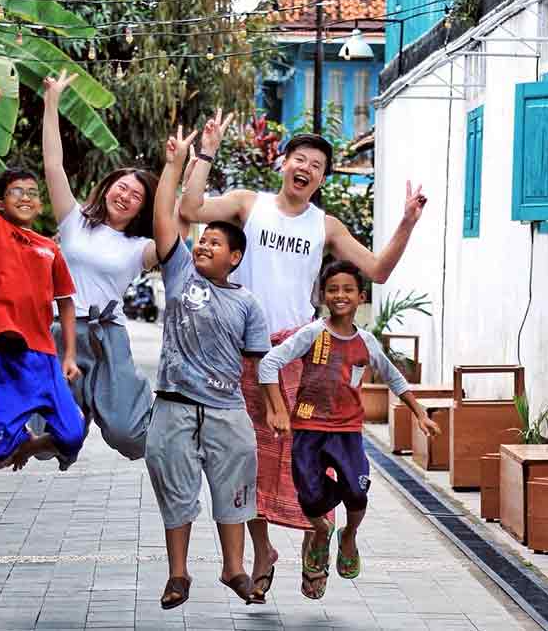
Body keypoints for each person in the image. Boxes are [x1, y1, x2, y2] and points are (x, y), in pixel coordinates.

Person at [179, 132, 427, 597]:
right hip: (241, 354)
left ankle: (319, 535)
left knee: (308, 458)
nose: (306, 168)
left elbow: (376, 270)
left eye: (316, 165)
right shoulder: (247, 205)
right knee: (245, 461)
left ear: (321, 179)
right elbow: (189, 211)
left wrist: (407, 222)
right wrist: (205, 154)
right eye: (299, 159)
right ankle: (263, 551)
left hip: (299, 356)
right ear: (283, 163)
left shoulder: (325, 226)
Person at [39, 71, 220, 459]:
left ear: (142, 207)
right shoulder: (72, 221)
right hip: (60, 331)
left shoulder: (139, 246)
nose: (126, 195)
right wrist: (52, 101)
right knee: (52, 437)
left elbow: (180, 225)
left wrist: (191, 162)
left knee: (129, 433)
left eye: (137, 195)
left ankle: (183, 426)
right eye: (121, 186)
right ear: (107, 188)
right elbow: (53, 165)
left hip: (108, 335)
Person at [145, 122, 279, 610]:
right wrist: (176, 161)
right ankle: (177, 576)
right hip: (175, 407)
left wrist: (273, 409)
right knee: (176, 493)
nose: (202, 245)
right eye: (201, 240)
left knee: (235, 491)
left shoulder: (248, 304)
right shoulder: (180, 272)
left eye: (215, 244)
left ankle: (233, 569)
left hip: (227, 412)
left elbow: (260, 364)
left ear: (235, 257)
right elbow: (165, 215)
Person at [258, 260, 440, 599]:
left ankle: (348, 536)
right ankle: (320, 531)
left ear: (361, 297)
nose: (340, 295)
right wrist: (278, 409)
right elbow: (269, 363)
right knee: (310, 499)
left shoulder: (367, 342)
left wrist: (419, 413)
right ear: (323, 296)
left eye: (348, 289)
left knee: (357, 491)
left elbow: (393, 377)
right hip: (308, 430)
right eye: (332, 290)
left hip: (347, 433)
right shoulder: (312, 333)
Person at [0, 84, 85, 489]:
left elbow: (66, 302)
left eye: (33, 193)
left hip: (45, 358)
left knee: (72, 435)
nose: (28, 197)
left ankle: (28, 446)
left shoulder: (50, 247)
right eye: (17, 191)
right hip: (4, 353)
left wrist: (68, 354)